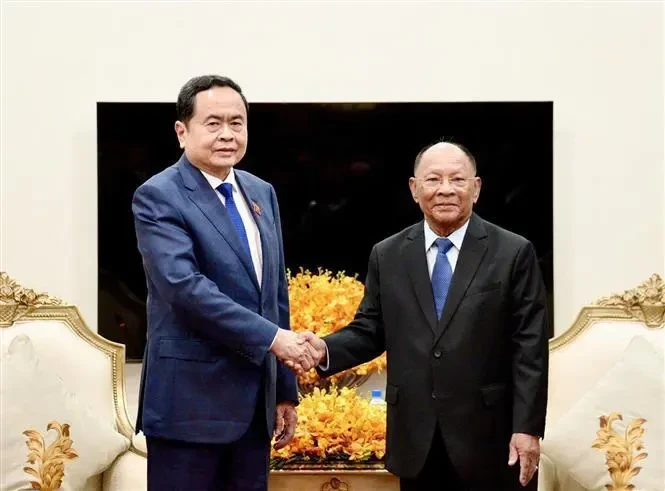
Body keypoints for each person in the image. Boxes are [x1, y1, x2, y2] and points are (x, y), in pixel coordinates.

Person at [300, 141, 549, 490]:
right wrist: (321, 350)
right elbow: (370, 330)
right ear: (415, 190)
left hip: (492, 437)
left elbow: (530, 348)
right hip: (416, 438)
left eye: (457, 179)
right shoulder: (387, 255)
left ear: (475, 188)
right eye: (433, 179)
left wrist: (527, 428)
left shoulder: (513, 252)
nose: (445, 189)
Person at [131, 74, 316, 491]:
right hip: (188, 410)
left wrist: (285, 390)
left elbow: (274, 295)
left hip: (253, 411)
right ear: (182, 131)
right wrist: (274, 340)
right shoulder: (158, 195)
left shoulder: (260, 192)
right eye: (213, 123)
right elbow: (185, 289)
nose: (228, 134)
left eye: (238, 122)